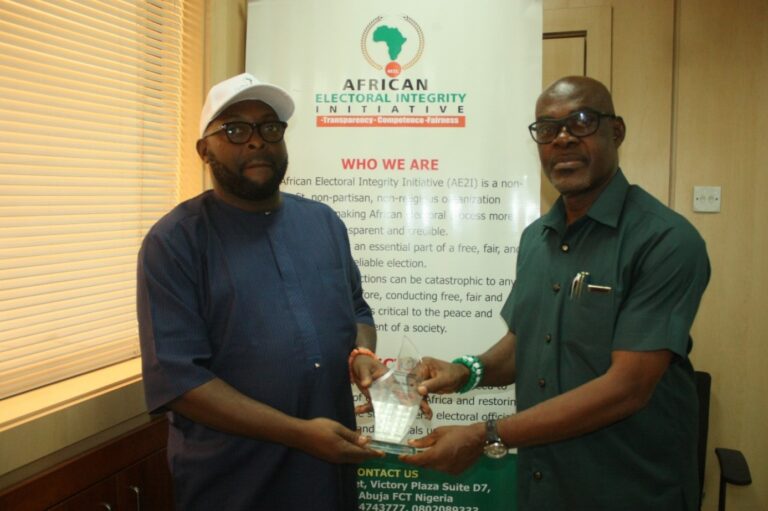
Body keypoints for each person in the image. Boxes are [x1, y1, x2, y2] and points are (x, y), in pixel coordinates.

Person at [401, 76, 710, 511]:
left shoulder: (666, 241)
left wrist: (483, 434)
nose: (562, 139)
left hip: (630, 488)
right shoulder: (536, 239)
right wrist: (464, 372)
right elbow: (527, 343)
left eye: (581, 122)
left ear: (616, 131)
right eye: (547, 129)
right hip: (543, 485)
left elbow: (628, 388)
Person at [137, 72, 385, 511]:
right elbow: (180, 382)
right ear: (204, 150)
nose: (257, 142)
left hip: (329, 477)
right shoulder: (175, 241)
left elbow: (357, 311)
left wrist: (362, 355)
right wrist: (299, 433)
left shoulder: (324, 223)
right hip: (233, 482)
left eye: (270, 128)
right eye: (235, 129)